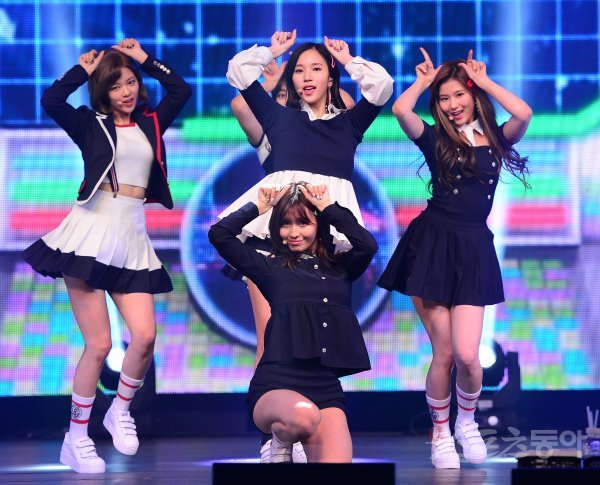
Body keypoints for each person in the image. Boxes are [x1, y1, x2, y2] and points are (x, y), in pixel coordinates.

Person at [23, 39, 191, 473]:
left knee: (145, 336)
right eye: (116, 86)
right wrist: (82, 70)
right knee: (98, 344)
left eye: (131, 82)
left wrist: (144, 59)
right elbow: (51, 100)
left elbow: (181, 90)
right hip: (90, 231)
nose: (126, 91)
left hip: (131, 234)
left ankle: (120, 410)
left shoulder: (151, 121)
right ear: (103, 91)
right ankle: (76, 438)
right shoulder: (88, 123)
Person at [377, 48, 532, 469]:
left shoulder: (496, 138)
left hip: (474, 248)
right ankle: (441, 434)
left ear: (472, 95)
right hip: (432, 245)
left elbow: (523, 113)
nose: (451, 104)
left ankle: (466, 422)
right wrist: (423, 82)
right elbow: (401, 109)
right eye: (443, 99)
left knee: (468, 355)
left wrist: (484, 81)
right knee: (444, 353)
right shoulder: (435, 139)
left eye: (458, 95)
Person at [209, 182, 377, 462]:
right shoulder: (269, 267)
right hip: (278, 384)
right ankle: (279, 439)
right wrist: (258, 207)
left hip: (325, 387)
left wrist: (327, 207)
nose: (294, 232)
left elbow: (367, 244)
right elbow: (220, 234)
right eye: (285, 224)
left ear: (318, 225)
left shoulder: (339, 269)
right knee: (303, 416)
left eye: (303, 223)